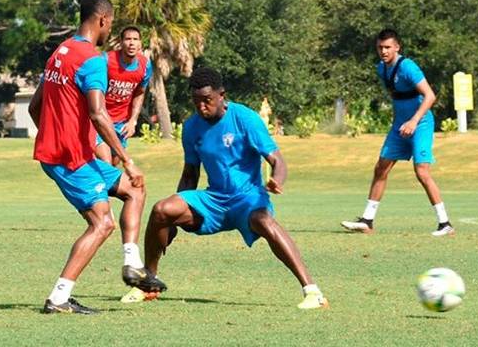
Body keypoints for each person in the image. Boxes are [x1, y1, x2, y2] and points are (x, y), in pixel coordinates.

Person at [133, 67, 328, 309]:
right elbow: (190, 173)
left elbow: (277, 160)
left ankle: (313, 292)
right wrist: (173, 215)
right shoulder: (192, 127)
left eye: (207, 101)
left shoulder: (244, 118)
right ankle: (149, 283)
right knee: (162, 209)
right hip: (214, 201)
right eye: (196, 102)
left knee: (265, 221)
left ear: (221, 95)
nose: (202, 107)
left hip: (248, 199)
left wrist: (277, 179)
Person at [28, 0, 150, 314]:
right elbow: (99, 113)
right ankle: (58, 298)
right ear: (103, 21)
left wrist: (54, 134)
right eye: (111, 24)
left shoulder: (60, 52)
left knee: (133, 189)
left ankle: (132, 264)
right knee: (102, 223)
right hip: (70, 159)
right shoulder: (92, 59)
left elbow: (34, 106)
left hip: (66, 153)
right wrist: (127, 159)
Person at [341, 29, 454, 237]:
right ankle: (367, 220)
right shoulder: (381, 69)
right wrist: (399, 123)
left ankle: (445, 224)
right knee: (380, 168)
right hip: (400, 126)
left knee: (421, 172)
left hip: (420, 123)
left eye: (387, 47)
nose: (383, 51)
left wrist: (413, 121)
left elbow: (430, 96)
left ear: (396, 47)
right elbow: (397, 98)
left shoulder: (408, 67)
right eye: (379, 48)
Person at [95, 26, 153, 166]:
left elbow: (140, 93)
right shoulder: (106, 60)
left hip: (121, 123)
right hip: (100, 120)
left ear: (140, 43)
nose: (131, 43)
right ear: (121, 42)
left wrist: (133, 120)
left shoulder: (145, 66)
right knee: (106, 162)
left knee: (114, 165)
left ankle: (101, 188)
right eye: (128, 39)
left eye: (135, 39)